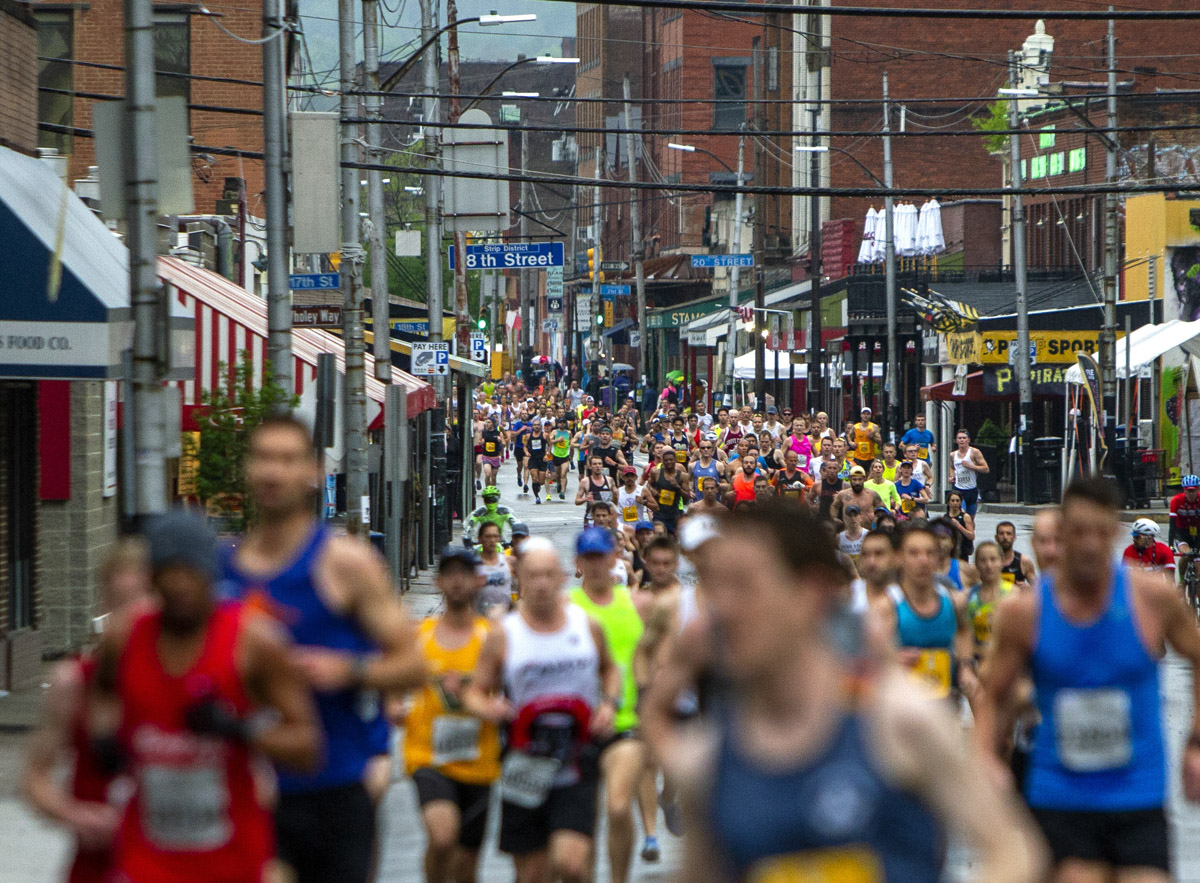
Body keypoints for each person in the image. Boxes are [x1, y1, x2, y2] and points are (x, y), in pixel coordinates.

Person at [664, 503, 1045, 883]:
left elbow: (1011, 852)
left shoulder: (900, 722)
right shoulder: (707, 759)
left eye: (745, 586)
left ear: (810, 592)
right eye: (714, 585)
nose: (722, 609)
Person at [222, 416, 427, 883]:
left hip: (331, 789)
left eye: (288, 459)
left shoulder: (344, 563)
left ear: (314, 471)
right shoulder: (223, 568)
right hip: (245, 789)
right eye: (263, 458)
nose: (274, 472)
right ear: (247, 470)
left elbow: (413, 665)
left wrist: (348, 669)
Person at [976, 477, 1200, 883]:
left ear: (1114, 532)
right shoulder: (1025, 613)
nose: (1091, 544)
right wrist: (987, 760)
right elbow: (991, 693)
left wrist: (1196, 741)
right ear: (1062, 534)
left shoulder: (1151, 597)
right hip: (1061, 795)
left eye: (1100, 531)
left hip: (1138, 793)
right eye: (1079, 531)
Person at [97, 509, 320, 883]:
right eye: (170, 571)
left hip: (231, 861)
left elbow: (308, 746)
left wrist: (238, 728)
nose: (181, 584)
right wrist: (106, 738)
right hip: (146, 856)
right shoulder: (125, 638)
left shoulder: (254, 642)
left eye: (192, 571)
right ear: (153, 577)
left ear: (211, 574)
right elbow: (101, 692)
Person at [464, 538, 621, 883]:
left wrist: (608, 705)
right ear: (518, 577)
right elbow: (474, 692)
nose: (541, 583)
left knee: (573, 864)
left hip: (577, 757)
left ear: (563, 577)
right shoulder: (504, 634)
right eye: (533, 575)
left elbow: (610, 670)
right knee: (533, 874)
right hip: (525, 761)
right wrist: (492, 709)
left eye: (549, 575)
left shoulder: (586, 626)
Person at [23, 539, 151, 883]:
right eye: (120, 605)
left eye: (142, 605)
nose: (132, 619)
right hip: (99, 866)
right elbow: (35, 777)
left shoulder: (198, 679)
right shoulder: (75, 681)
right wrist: (75, 814)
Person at [405, 547, 502, 883]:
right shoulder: (420, 635)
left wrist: (498, 708)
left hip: (479, 759)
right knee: (443, 838)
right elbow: (394, 677)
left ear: (479, 581)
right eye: (450, 574)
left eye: (465, 573)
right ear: (438, 581)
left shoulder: (491, 636)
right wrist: (392, 704)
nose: (457, 581)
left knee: (466, 863)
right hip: (428, 755)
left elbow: (508, 688)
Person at [569, 529, 651, 883]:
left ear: (614, 557)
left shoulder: (634, 603)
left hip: (627, 721)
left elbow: (652, 657)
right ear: (578, 563)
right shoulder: (567, 608)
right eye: (588, 557)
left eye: (601, 555)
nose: (596, 564)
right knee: (583, 817)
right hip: (579, 726)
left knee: (618, 807)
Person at [890, 524, 976, 702]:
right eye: (914, 553)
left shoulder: (954, 601)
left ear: (938, 559)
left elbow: (964, 631)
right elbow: (867, 657)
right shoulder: (888, 605)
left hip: (945, 705)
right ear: (899, 558)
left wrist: (965, 666)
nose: (923, 560)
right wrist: (892, 659)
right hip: (901, 709)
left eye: (930, 553)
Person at [966, 540, 1013, 663]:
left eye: (993, 559)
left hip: (1006, 664)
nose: (988, 565)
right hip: (977, 663)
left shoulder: (1014, 595)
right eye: (983, 560)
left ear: (1002, 562)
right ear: (976, 564)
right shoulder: (968, 597)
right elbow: (963, 637)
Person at [643, 451, 690, 535]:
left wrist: (677, 487)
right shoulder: (656, 472)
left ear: (675, 460)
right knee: (658, 537)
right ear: (663, 461)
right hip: (659, 513)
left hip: (674, 514)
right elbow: (648, 485)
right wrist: (652, 491)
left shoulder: (683, 476)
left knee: (672, 541)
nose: (669, 462)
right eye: (666, 460)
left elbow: (687, 499)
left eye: (671, 460)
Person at [476, 522, 514, 618]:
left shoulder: (508, 562)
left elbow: (521, 590)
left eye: (495, 536)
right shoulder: (472, 566)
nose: (492, 540)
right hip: (481, 618)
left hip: (505, 619)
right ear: (480, 539)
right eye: (488, 537)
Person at [950, 429, 989, 517]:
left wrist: (971, 466)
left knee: (970, 519)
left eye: (964, 438)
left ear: (968, 440)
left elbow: (986, 469)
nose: (962, 440)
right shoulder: (953, 455)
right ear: (956, 440)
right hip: (958, 489)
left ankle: (970, 530)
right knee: (961, 515)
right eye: (959, 438)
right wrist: (952, 476)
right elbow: (952, 467)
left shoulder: (974, 452)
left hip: (971, 490)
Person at [576, 455, 615, 527]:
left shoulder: (609, 480)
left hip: (607, 520)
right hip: (591, 519)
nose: (598, 466)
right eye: (595, 464)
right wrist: (586, 499)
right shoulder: (585, 481)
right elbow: (577, 501)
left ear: (602, 466)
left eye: (600, 464)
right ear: (590, 466)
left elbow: (616, 497)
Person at [1169, 475, 1200, 563]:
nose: (1190, 493)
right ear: (1184, 490)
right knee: (1186, 556)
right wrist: (1170, 546)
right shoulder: (1176, 501)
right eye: (1188, 490)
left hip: (1198, 531)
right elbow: (1172, 526)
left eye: (1193, 490)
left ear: (1198, 490)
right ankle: (1182, 577)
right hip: (1181, 532)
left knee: (1198, 563)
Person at [996, 520, 1036, 588]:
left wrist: (1028, 589)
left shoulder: (1023, 561)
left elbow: (1038, 589)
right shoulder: (988, 560)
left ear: (1014, 537)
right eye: (1001, 533)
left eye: (1009, 533)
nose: (1005, 537)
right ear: (996, 537)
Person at [946, 489, 976, 561]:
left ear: (960, 502)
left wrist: (959, 526)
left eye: (957, 501)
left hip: (962, 552)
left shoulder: (965, 517)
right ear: (948, 502)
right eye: (952, 501)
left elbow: (971, 536)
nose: (955, 503)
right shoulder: (945, 517)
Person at [478, 415, 505, 487]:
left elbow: (504, 444)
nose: (487, 424)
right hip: (486, 456)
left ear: (493, 423)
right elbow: (480, 441)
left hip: (495, 457)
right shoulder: (484, 432)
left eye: (489, 422)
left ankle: (492, 490)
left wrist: (501, 440)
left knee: (493, 477)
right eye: (487, 422)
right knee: (487, 474)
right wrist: (481, 442)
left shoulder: (498, 433)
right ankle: (487, 488)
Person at [527, 420, 549, 505]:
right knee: (534, 478)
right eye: (535, 425)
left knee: (541, 481)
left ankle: (538, 486)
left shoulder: (544, 435)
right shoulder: (529, 436)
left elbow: (550, 445)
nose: (536, 426)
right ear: (532, 426)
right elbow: (525, 446)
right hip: (533, 459)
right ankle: (537, 496)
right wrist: (526, 452)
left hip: (542, 459)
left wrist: (547, 454)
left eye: (538, 425)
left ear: (540, 426)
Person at [550, 418, 574, 501]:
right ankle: (559, 484)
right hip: (556, 455)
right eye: (560, 423)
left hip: (565, 456)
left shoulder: (569, 433)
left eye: (564, 423)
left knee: (564, 474)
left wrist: (571, 446)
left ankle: (562, 492)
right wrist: (557, 440)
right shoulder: (554, 432)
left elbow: (571, 442)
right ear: (558, 424)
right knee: (558, 475)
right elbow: (549, 441)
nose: (562, 424)